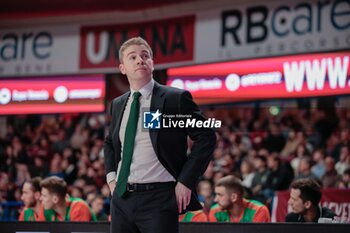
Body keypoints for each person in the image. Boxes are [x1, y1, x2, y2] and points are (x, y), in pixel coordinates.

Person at [104, 37, 216, 233]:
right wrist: (112, 179)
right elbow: (110, 143)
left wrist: (185, 181)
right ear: (123, 68)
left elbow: (206, 137)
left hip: (159, 199)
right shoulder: (118, 104)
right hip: (121, 199)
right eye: (133, 57)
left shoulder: (174, 99)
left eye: (145, 56)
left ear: (152, 64)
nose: (140, 60)